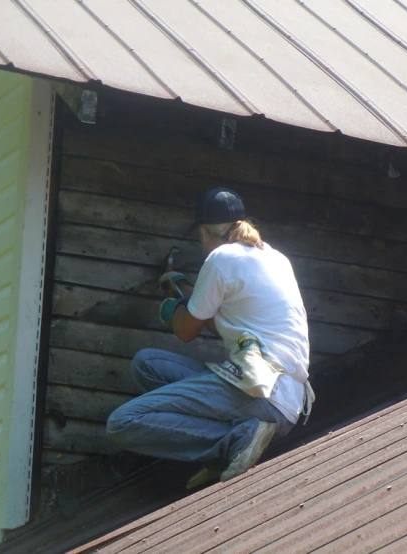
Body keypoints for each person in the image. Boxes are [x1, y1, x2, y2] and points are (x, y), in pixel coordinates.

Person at [106, 187, 314, 488]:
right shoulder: (274, 256)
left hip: (260, 388)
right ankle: (241, 434)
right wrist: (189, 295)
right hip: (286, 396)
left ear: (204, 232)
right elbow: (224, 321)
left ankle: (235, 441)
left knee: (121, 423)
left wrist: (171, 307)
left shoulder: (220, 257)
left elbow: (186, 331)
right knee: (147, 364)